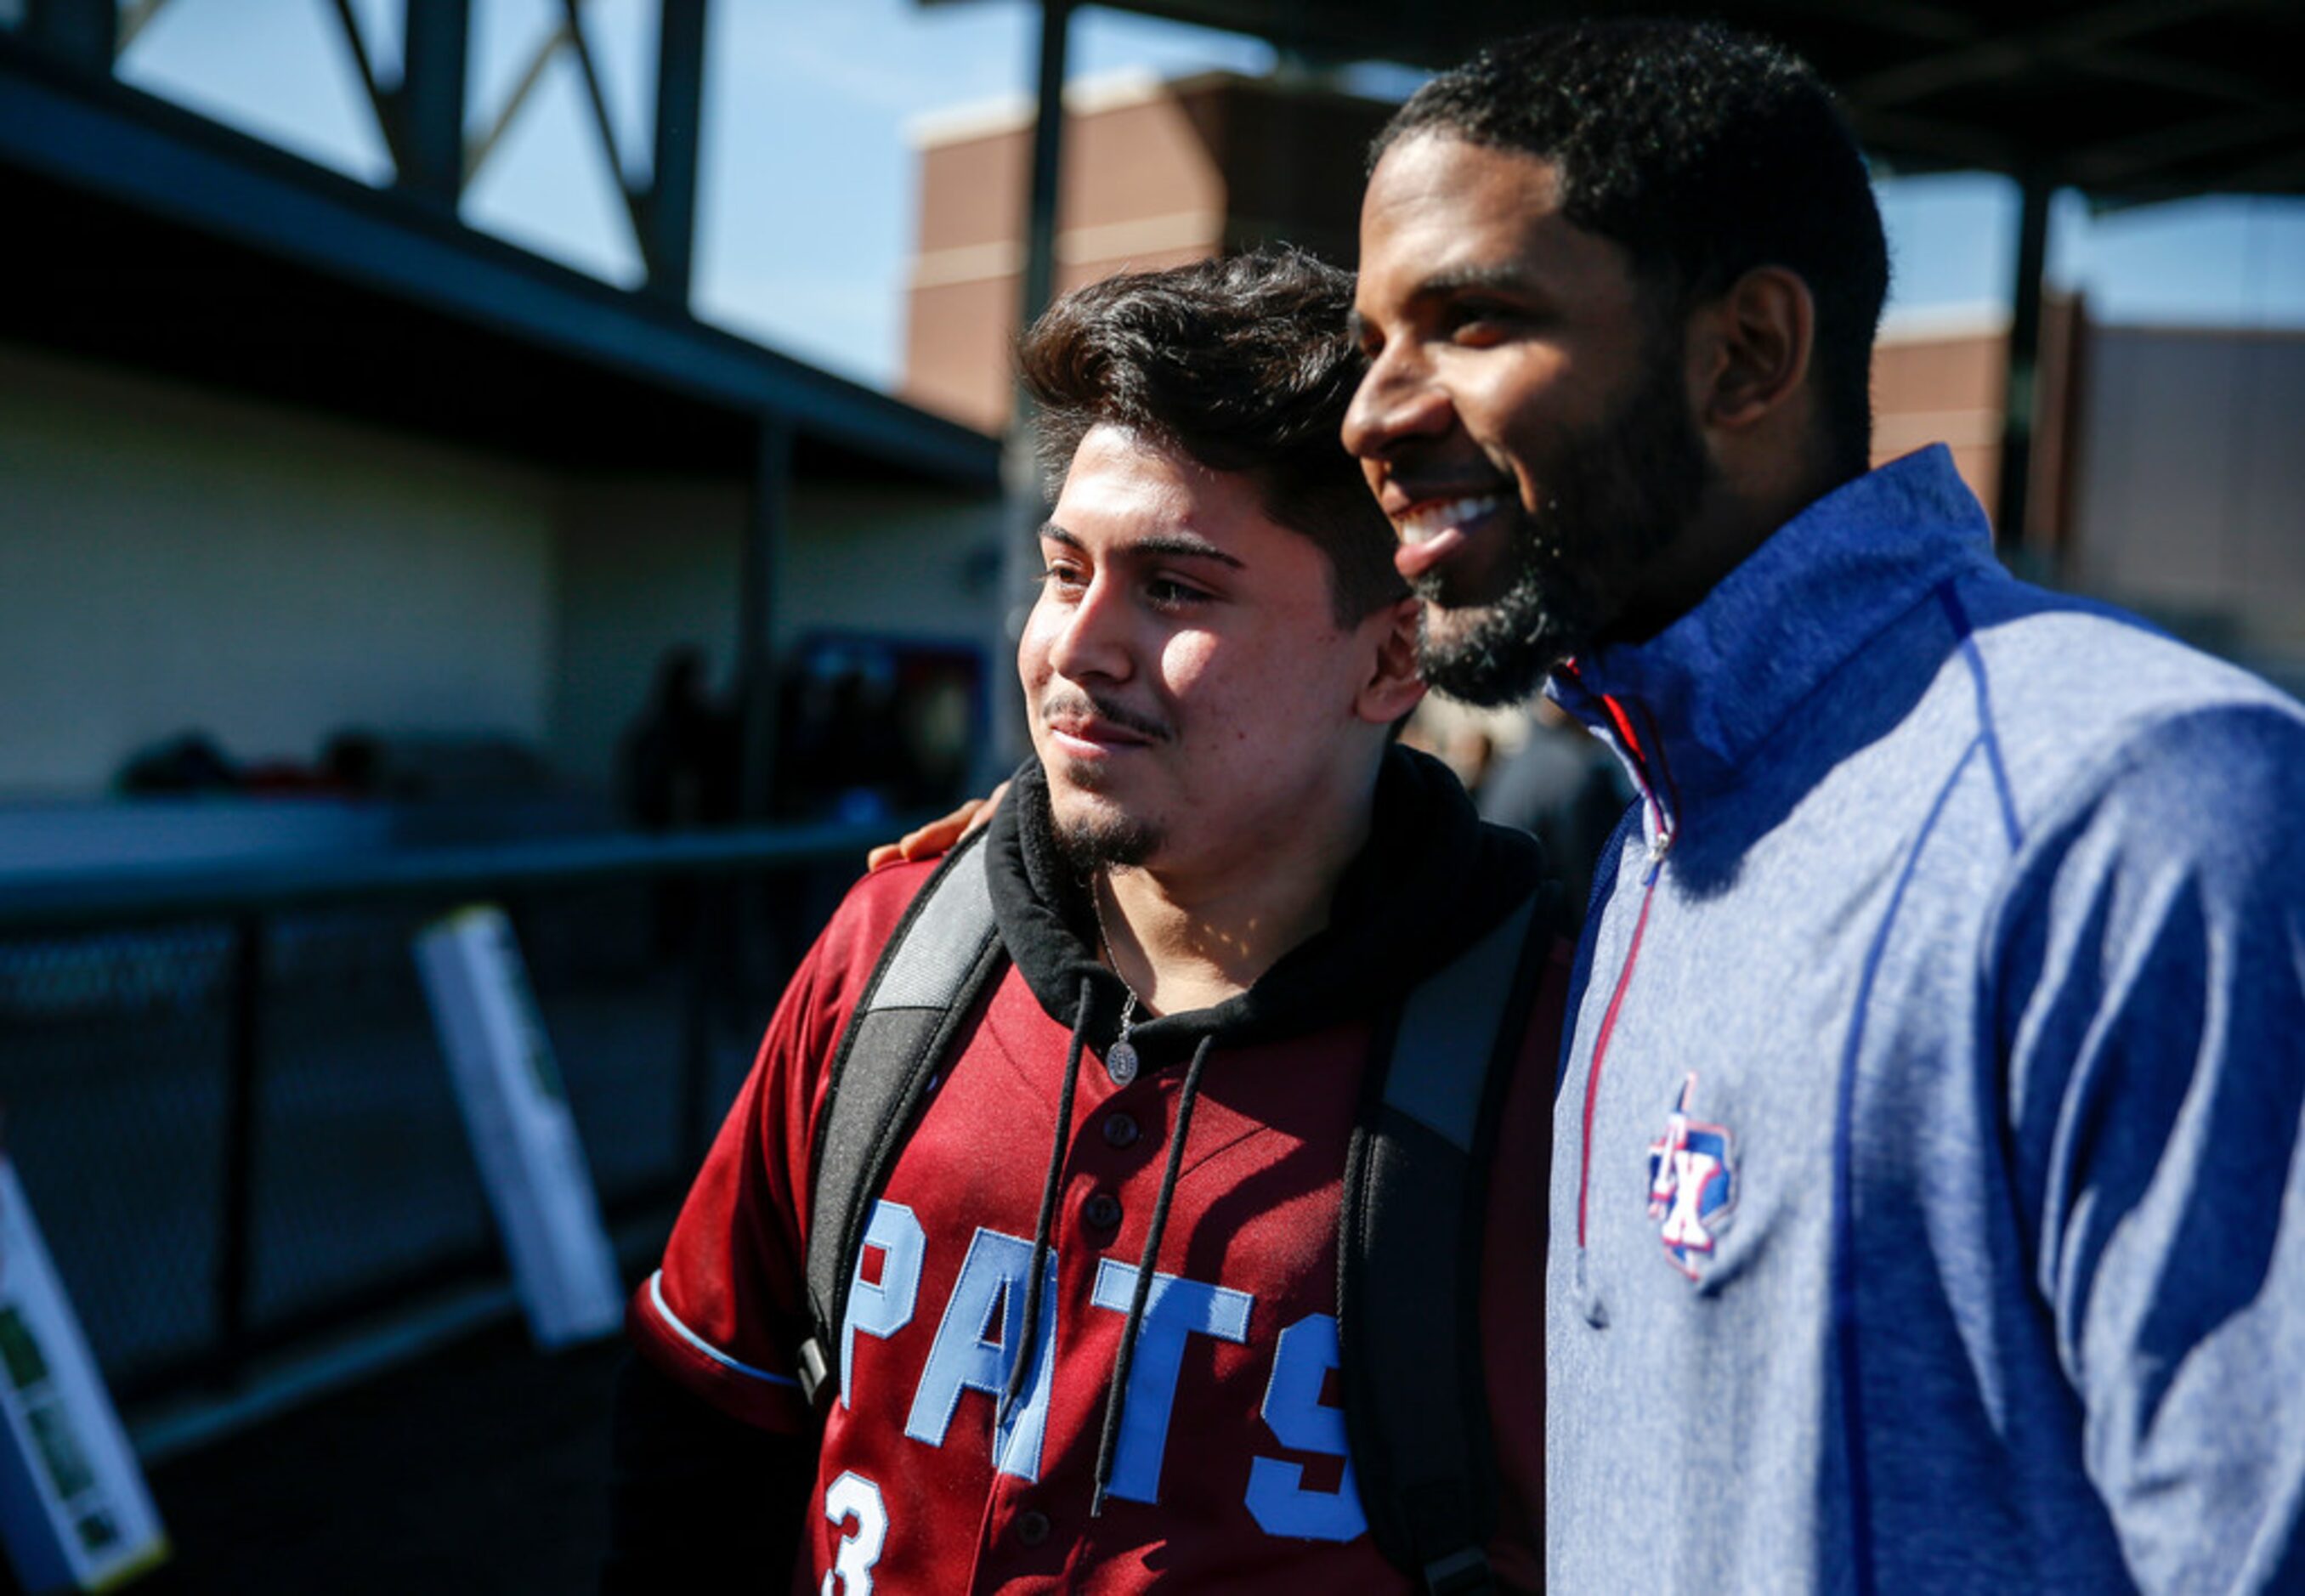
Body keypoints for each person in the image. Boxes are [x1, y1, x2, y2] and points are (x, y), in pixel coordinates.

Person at [1341, 20, 2305, 1593]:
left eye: (1472, 320)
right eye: (1379, 337)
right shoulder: (1658, 824)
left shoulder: (2148, 800)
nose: (1374, 413)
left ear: (1747, 355)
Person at [605, 250, 1561, 1593]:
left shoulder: (1554, 1061)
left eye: (1176, 587)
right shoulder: (895, 947)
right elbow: (705, 1420)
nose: (1079, 646)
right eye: (1065, 571)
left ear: (1394, 655)